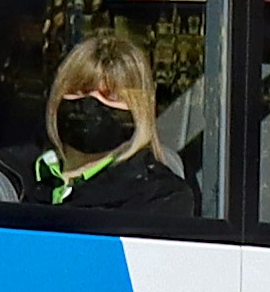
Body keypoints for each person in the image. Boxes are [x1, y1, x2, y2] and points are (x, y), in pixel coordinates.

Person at [32, 28, 196, 224]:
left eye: (112, 96)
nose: (91, 102)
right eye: (79, 90)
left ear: (139, 111)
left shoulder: (160, 197)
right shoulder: (14, 176)